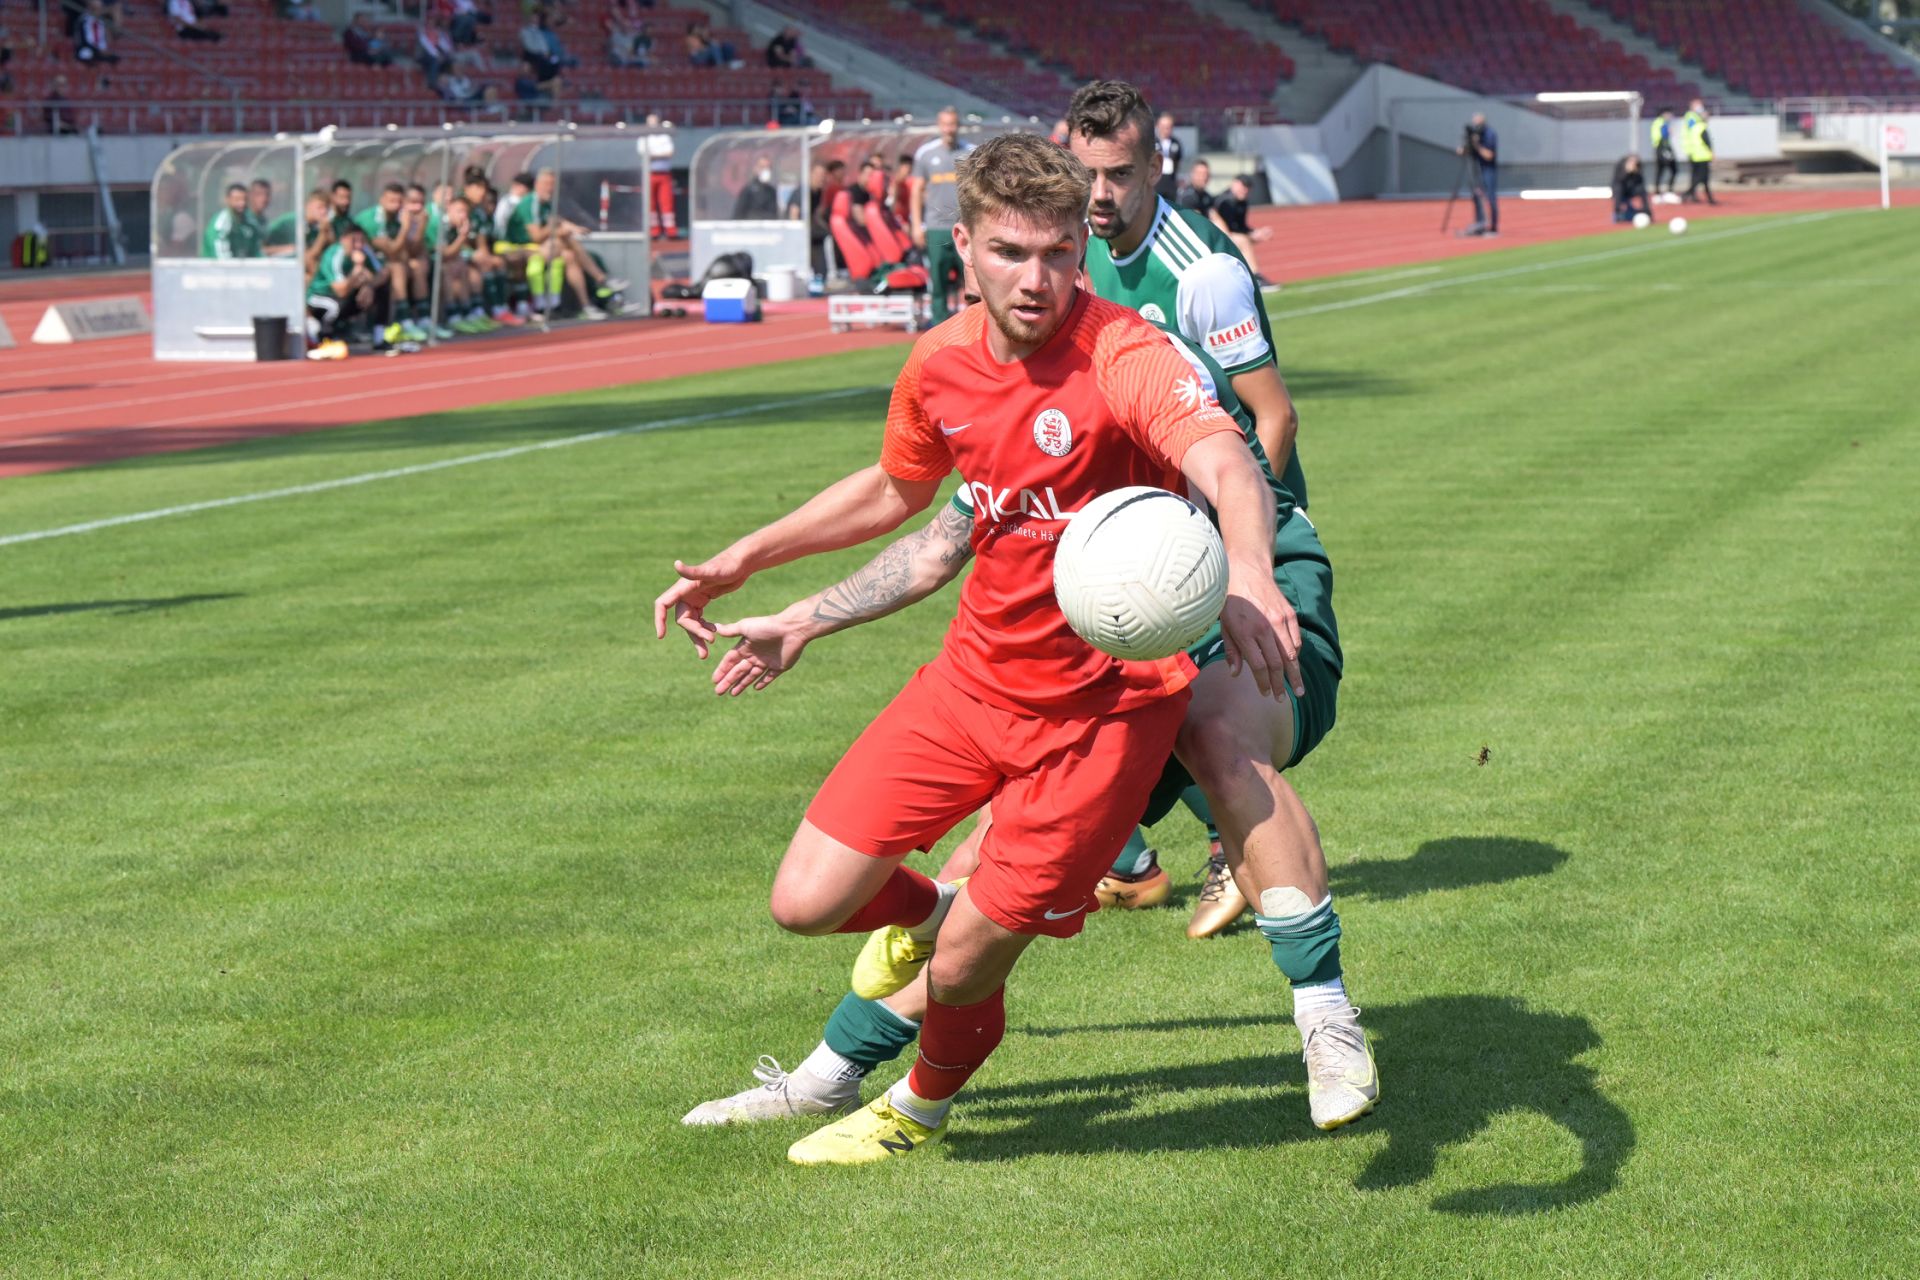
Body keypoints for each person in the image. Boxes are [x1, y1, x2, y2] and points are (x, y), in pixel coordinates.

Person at [656, 132, 1298, 1164]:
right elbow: (900, 495)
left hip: (1105, 714)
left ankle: (919, 1107)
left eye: (1055, 253)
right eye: (1010, 252)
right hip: (972, 681)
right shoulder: (941, 361)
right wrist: (759, 572)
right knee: (807, 899)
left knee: (959, 970)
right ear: (965, 248)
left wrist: (1251, 568)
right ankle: (935, 909)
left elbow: (1225, 458)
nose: (1036, 278)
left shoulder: (1122, 353)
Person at [910, 106, 971, 323]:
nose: (949, 129)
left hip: (966, 228)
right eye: (945, 124)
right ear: (939, 125)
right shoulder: (926, 154)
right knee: (938, 282)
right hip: (936, 228)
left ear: (958, 125)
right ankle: (938, 326)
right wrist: (917, 225)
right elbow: (916, 190)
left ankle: (974, 325)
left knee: (972, 281)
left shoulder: (971, 153)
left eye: (952, 124)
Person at [307, 222, 377, 348]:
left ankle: (378, 335)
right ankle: (324, 336)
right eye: (354, 241)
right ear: (343, 239)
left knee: (376, 292)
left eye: (361, 241)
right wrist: (357, 269)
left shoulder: (363, 251)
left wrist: (368, 286)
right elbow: (340, 290)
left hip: (340, 295)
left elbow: (381, 273)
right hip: (319, 296)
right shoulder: (335, 255)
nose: (358, 245)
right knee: (335, 306)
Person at [1212, 173, 1274, 287]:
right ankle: (1256, 276)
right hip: (1216, 239)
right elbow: (1229, 230)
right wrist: (1251, 236)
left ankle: (1248, 277)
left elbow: (1241, 226)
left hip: (1230, 236)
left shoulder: (1242, 203)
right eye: (1243, 186)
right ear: (1234, 184)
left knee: (1245, 239)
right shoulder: (1225, 202)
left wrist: (1256, 233)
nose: (1245, 190)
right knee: (1243, 240)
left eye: (1247, 188)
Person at [1458, 112, 1498, 235]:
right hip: (1476, 169)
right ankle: (1479, 224)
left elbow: (1489, 155)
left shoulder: (1490, 134)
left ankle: (1493, 226)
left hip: (1488, 169)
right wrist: (1467, 145)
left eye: (1478, 122)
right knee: (1476, 196)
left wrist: (1477, 145)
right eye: (1475, 122)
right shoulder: (1473, 135)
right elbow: (1460, 152)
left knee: (1490, 197)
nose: (1476, 125)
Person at [201, 183, 261, 259]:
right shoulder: (221, 224)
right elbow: (221, 258)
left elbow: (255, 252)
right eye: (237, 200)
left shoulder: (249, 222)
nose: (242, 203)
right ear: (227, 200)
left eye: (244, 199)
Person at [1682, 98, 1716, 205]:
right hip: (1697, 153)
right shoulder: (1692, 118)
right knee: (1700, 177)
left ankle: (1695, 195)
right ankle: (1689, 193)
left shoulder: (1696, 119)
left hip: (1696, 152)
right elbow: (1693, 132)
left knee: (1698, 177)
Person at [646, 129, 677, 238]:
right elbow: (644, 154)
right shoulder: (644, 137)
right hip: (649, 174)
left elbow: (669, 153)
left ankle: (671, 231)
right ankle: (654, 231)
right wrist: (660, 154)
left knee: (667, 202)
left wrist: (654, 154)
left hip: (664, 174)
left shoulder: (665, 137)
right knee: (650, 204)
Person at [730, 154, 780, 221]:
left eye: (768, 168)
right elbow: (738, 213)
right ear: (756, 168)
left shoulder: (771, 191)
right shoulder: (748, 190)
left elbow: (774, 214)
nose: (766, 170)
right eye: (762, 167)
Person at [1611, 153, 1652, 224]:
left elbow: (1640, 182)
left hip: (1631, 189)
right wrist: (1627, 171)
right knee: (1618, 189)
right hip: (1621, 189)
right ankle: (1617, 212)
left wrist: (1636, 172)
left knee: (1642, 190)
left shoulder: (1638, 166)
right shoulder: (1620, 165)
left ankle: (1647, 211)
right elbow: (1618, 180)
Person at [73, 0, 118, 65]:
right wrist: (98, 50)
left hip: (100, 51)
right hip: (88, 48)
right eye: (96, 9)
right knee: (86, 54)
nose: (99, 11)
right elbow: (84, 40)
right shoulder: (84, 20)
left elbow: (107, 40)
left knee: (115, 59)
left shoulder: (102, 22)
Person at [1153, 111, 1182, 202]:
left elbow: (1178, 161)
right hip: (1156, 183)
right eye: (1164, 127)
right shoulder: (1152, 142)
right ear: (1158, 126)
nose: (1166, 130)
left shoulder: (1176, 143)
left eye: (1169, 127)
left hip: (1171, 183)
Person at [1650, 107, 1678, 198]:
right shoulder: (1661, 123)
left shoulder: (1659, 122)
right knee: (1671, 169)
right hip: (1662, 148)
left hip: (1661, 148)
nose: (1670, 116)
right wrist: (1669, 132)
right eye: (1669, 114)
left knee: (1661, 170)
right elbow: (1663, 136)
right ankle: (1665, 191)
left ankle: (1659, 191)